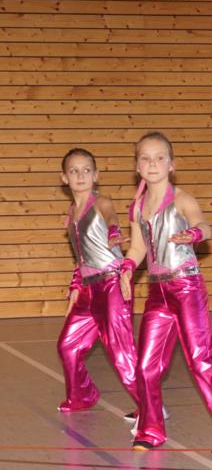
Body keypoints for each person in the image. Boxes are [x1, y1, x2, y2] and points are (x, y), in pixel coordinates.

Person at [123, 131, 212, 455]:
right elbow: (139, 247)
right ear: (137, 166)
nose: (152, 164)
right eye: (145, 158)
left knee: (201, 361)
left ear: (171, 164)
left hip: (186, 287)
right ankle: (150, 430)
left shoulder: (181, 199)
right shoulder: (137, 207)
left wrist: (195, 233)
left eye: (159, 158)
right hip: (157, 293)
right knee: (145, 366)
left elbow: (204, 224)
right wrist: (128, 267)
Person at [55, 148, 141, 417]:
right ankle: (83, 395)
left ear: (96, 175)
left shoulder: (101, 202)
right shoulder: (71, 213)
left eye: (86, 170)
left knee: (120, 351)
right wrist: (75, 287)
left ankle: (152, 408)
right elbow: (81, 257)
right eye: (74, 171)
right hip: (87, 289)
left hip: (111, 284)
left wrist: (114, 231)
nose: (80, 175)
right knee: (67, 346)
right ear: (64, 178)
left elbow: (111, 216)